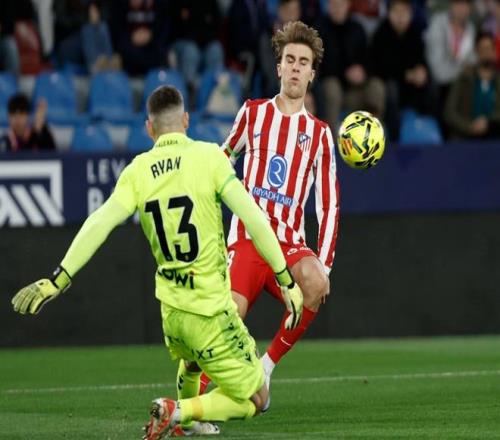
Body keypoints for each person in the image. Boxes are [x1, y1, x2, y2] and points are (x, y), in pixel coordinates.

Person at [11, 85, 304, 438]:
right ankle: (178, 411)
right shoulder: (210, 157)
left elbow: (100, 222)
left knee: (193, 362)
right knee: (258, 399)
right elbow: (254, 218)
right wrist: (286, 279)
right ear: (186, 120)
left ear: (149, 128)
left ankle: (188, 426)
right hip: (210, 311)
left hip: (172, 315)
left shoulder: (137, 171)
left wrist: (59, 278)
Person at [198, 20, 339, 403]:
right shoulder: (253, 113)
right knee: (226, 318)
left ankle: (266, 367)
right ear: (278, 67)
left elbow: (328, 204)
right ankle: (195, 402)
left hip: (289, 247)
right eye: (289, 60)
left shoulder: (320, 134)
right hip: (247, 241)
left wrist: (324, 266)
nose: (295, 67)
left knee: (315, 283)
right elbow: (222, 162)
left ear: (311, 74)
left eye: (303, 62)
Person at [317, 0, 385, 133]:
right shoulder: (319, 29)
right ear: (329, 6)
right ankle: (331, 139)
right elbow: (318, 65)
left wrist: (363, 72)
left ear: (348, 5)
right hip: (332, 91)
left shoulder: (357, 28)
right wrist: (345, 73)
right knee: (332, 87)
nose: (338, 9)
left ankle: (372, 135)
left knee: (376, 86)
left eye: (341, 5)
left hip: (356, 90)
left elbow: (370, 58)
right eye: (334, 5)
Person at [371, 0, 434, 140]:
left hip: (411, 86)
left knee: (431, 82)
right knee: (391, 88)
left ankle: (428, 127)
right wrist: (406, 75)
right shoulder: (381, 34)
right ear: (389, 14)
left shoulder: (415, 32)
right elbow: (380, 68)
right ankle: (395, 136)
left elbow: (421, 59)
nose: (400, 17)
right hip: (390, 84)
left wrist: (422, 71)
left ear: (410, 14)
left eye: (404, 12)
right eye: (396, 12)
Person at [444, 31, 500, 139]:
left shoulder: (498, 81)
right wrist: (469, 127)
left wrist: (488, 123)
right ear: (476, 52)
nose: (486, 53)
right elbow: (449, 112)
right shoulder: (463, 78)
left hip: (495, 138)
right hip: (466, 139)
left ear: (494, 51)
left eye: (489, 48)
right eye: (482, 49)